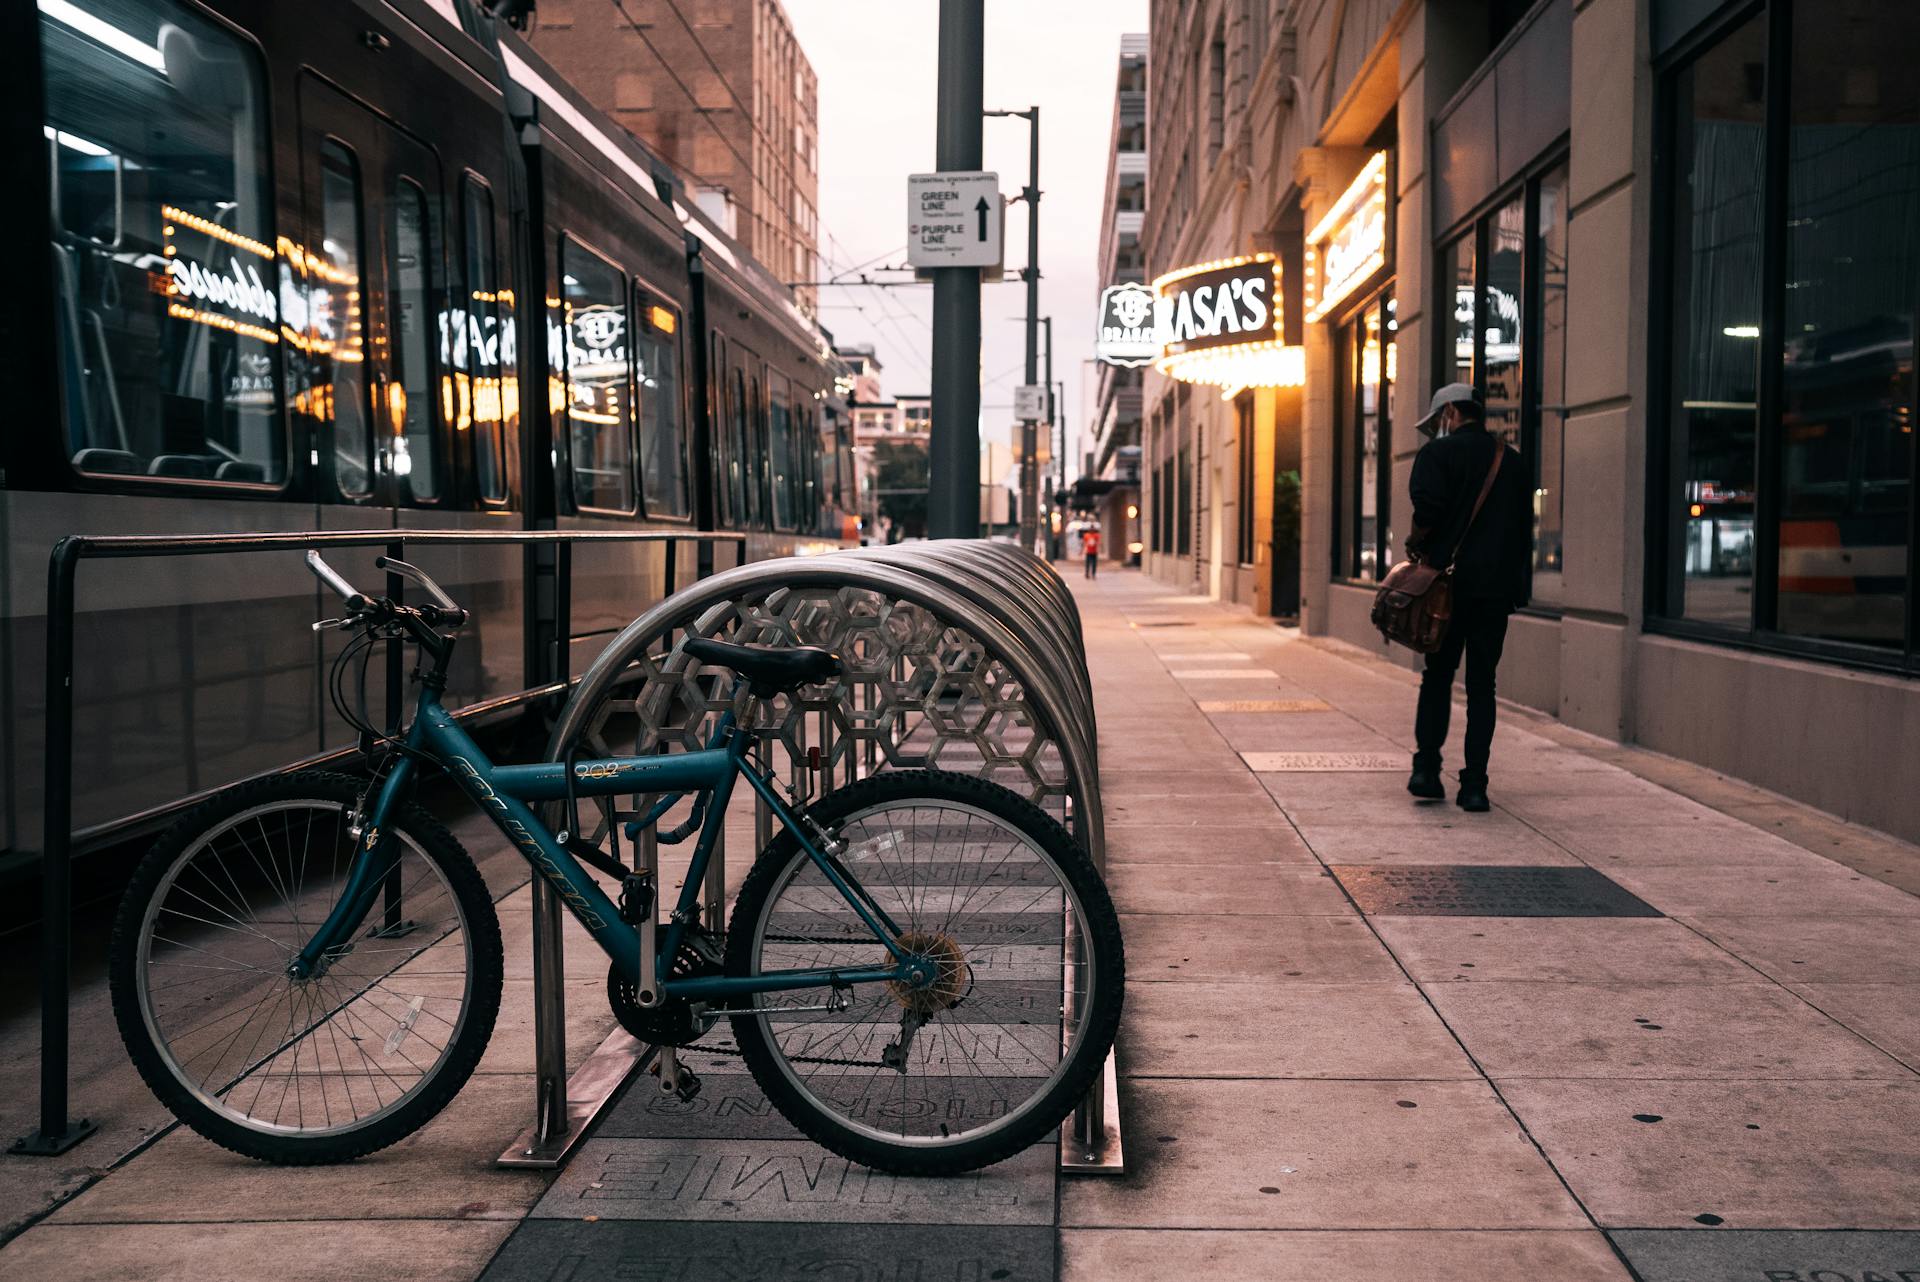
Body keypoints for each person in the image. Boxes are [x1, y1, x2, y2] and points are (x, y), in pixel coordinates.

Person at [1403, 383, 1532, 812]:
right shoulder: (1512, 463)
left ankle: (1426, 769)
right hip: (1494, 592)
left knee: (1437, 676)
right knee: (1482, 686)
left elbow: (1427, 514)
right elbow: (1520, 534)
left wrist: (1420, 546)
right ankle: (1474, 785)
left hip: (1445, 588)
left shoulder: (1435, 456)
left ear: (1450, 413)